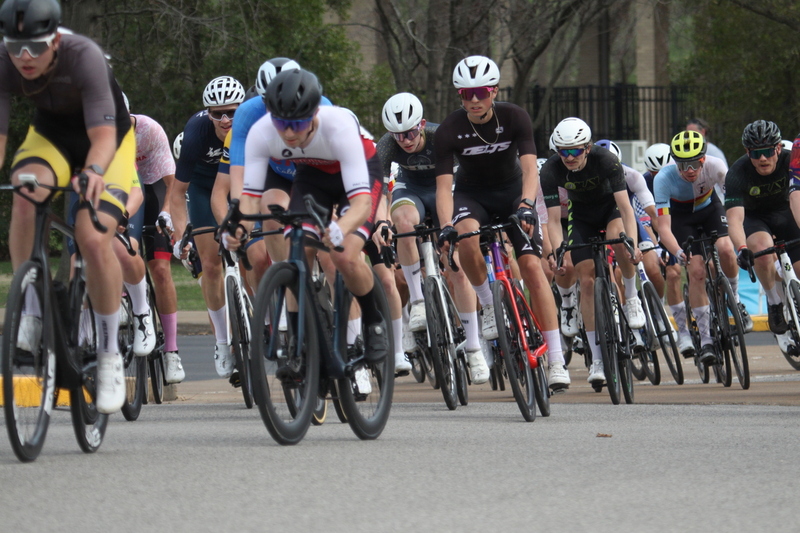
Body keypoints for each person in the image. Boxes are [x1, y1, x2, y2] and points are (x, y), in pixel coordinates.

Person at [0, 0, 135, 413]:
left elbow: (104, 136)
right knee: (25, 198)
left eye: (35, 48)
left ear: (55, 40)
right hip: (51, 136)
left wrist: (94, 170)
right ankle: (32, 311)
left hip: (107, 138)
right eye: (15, 47)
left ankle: (110, 355)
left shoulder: (84, 56)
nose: (25, 58)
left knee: (92, 238)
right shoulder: (4, 60)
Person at [231, 68, 390, 364]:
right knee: (297, 250)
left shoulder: (339, 126)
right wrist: (239, 229)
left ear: (315, 113)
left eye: (298, 123)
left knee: (343, 255)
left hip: (356, 174)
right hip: (311, 176)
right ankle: (297, 341)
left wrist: (340, 229)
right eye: (281, 123)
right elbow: (250, 198)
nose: (289, 133)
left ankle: (372, 320)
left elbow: (361, 205)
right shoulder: (262, 132)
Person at [435, 55, 569, 389]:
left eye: (481, 92)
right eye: (467, 94)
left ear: (494, 91)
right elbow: (442, 189)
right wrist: (445, 226)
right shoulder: (450, 129)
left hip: (512, 193)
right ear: (459, 97)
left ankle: (555, 359)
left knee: (533, 268)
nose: (475, 100)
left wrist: (526, 205)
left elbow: (529, 169)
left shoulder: (514, 116)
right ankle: (487, 303)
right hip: (472, 196)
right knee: (465, 236)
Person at [373, 92, 477, 374]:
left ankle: (474, 347)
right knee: (403, 222)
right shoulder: (386, 145)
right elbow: (380, 191)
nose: (404, 140)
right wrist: (383, 222)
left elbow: (466, 175)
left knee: (456, 267)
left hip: (445, 188)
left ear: (422, 124)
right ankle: (419, 301)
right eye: (397, 136)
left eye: (409, 132)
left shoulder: (439, 135)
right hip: (412, 190)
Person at [541, 118, 643, 386]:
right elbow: (553, 220)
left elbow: (625, 207)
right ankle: (597, 358)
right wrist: (556, 252)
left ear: (587, 148)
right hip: (582, 217)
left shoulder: (607, 160)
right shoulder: (551, 170)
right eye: (563, 151)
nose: (569, 157)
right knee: (585, 279)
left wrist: (631, 241)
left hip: (610, 211)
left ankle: (631, 296)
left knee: (618, 241)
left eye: (575, 151)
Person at [654, 130, 750, 367]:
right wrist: (678, 251)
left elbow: (732, 204)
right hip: (681, 218)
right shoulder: (663, 179)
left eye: (695, 163)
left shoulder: (716, 167)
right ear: (675, 162)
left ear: (704, 159)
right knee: (696, 270)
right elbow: (664, 228)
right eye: (683, 165)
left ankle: (735, 300)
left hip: (710, 209)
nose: (690, 170)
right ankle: (706, 340)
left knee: (726, 249)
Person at [171, 75, 245, 379]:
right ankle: (222, 341)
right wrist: (181, 234)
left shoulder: (250, 124)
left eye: (232, 111)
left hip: (238, 181)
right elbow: (177, 193)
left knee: (254, 247)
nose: (226, 119)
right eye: (218, 113)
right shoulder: (196, 131)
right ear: (208, 113)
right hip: (203, 186)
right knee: (211, 266)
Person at [727, 120, 799, 354]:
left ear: (778, 148)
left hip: (787, 213)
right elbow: (735, 219)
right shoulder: (738, 172)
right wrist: (740, 248)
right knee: (763, 251)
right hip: (756, 218)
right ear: (747, 152)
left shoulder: (791, 161)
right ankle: (774, 302)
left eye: (767, 152)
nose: (762, 159)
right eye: (755, 153)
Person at [127, 97, 185, 383]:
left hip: (155, 189)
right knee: (124, 252)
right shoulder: (101, 130)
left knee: (161, 270)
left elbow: (172, 181)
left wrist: (166, 212)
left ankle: (172, 351)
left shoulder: (149, 130)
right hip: (126, 189)